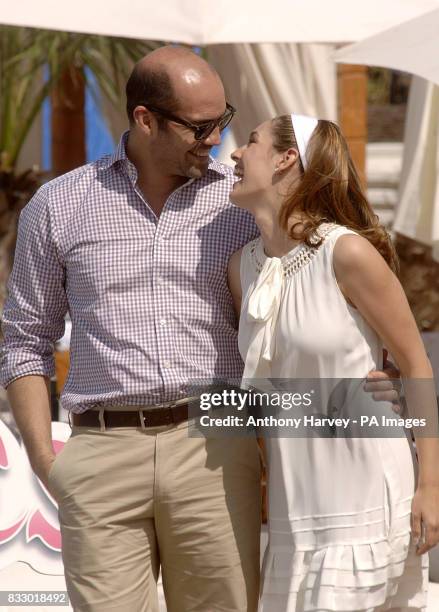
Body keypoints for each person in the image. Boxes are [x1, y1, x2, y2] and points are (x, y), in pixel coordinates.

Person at [0, 46, 401, 612]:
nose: (217, 139)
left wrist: (373, 359)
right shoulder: (59, 204)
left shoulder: (243, 203)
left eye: (225, 120)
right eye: (201, 126)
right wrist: (47, 460)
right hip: (99, 450)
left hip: (218, 443)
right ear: (145, 119)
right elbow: (25, 339)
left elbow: (325, 271)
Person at [227, 113, 439, 611]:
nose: (236, 154)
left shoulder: (346, 252)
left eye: (250, 143)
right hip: (293, 503)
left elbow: (416, 364)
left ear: (287, 158)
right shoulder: (240, 269)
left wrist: (430, 486)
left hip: (365, 488)